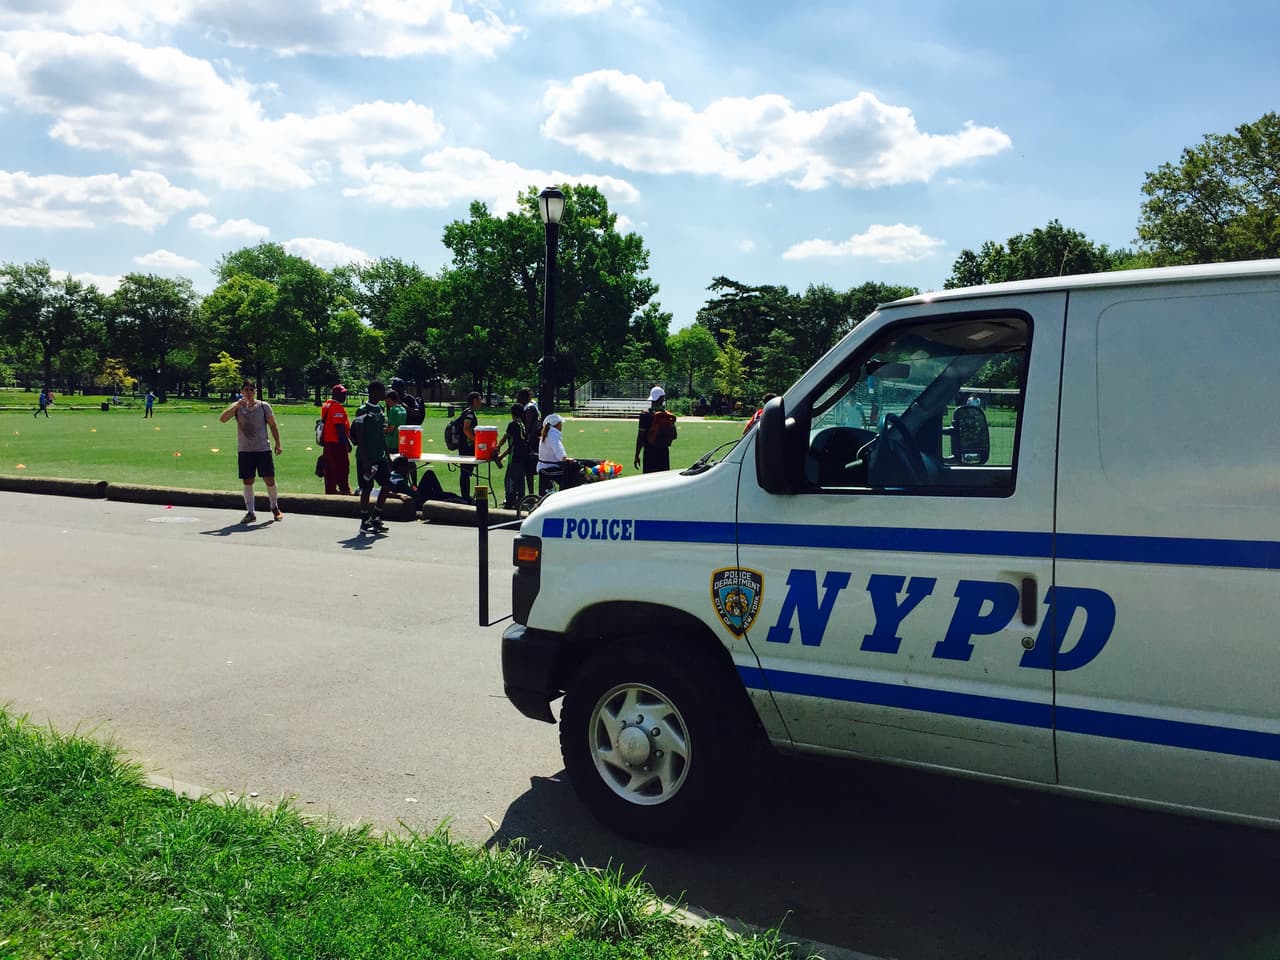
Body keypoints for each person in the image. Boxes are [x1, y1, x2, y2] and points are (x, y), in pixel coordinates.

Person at [218, 380, 283, 524]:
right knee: (248, 481)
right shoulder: (237, 407)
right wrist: (236, 405)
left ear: (255, 391)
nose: (248, 392)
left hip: (262, 448)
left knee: (269, 479)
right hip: (245, 450)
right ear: (242, 392)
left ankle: (274, 507)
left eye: (251, 390)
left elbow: (272, 425)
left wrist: (278, 443)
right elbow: (222, 419)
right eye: (246, 390)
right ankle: (250, 512)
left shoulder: (263, 406)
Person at [353, 381, 391, 533]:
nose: (385, 394)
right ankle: (364, 523)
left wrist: (388, 455)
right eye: (382, 391)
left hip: (379, 456)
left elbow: (382, 434)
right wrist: (365, 460)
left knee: (387, 484)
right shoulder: (363, 410)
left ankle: (376, 516)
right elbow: (359, 436)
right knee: (367, 488)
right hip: (366, 457)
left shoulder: (381, 409)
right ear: (374, 392)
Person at [319, 383, 353, 495]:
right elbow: (339, 427)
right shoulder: (337, 407)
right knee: (342, 467)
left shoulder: (326, 405)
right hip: (337, 443)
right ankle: (344, 489)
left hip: (327, 442)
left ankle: (330, 490)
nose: (345, 396)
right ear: (336, 394)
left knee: (329, 468)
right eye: (343, 394)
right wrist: (347, 443)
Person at [493, 403, 528, 509]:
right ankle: (520, 501)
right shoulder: (522, 425)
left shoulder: (512, 425)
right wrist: (501, 456)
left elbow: (507, 440)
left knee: (509, 479)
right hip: (523, 457)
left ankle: (510, 501)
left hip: (515, 458)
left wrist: (498, 447)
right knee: (520, 480)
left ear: (512, 413)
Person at [635, 386, 677, 474]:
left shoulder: (645, 414)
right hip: (663, 452)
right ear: (662, 399)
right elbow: (674, 436)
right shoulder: (667, 415)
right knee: (663, 480)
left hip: (649, 452)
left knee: (649, 480)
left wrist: (637, 455)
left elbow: (641, 437)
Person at [537, 413, 581, 490]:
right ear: (557, 424)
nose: (561, 426)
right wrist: (565, 458)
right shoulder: (552, 434)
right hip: (548, 467)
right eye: (560, 424)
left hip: (545, 466)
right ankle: (563, 495)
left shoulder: (549, 433)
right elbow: (558, 451)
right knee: (571, 475)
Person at [458, 390, 482, 503]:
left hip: (465, 446)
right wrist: (476, 440)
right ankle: (465, 497)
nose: (481, 401)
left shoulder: (467, 412)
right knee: (465, 473)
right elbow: (466, 429)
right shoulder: (470, 414)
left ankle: (466, 496)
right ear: (474, 401)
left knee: (466, 472)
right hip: (466, 447)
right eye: (479, 399)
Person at [517, 387, 541, 496]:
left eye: (519, 397)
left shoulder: (529, 408)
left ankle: (532, 494)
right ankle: (530, 493)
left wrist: (526, 442)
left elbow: (528, 427)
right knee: (528, 471)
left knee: (530, 470)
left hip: (531, 443)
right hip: (531, 442)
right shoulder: (526, 407)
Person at [384, 387, 407, 457]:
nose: (388, 404)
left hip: (391, 442)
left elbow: (391, 428)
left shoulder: (393, 410)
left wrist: (382, 430)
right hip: (400, 441)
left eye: (388, 401)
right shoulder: (403, 409)